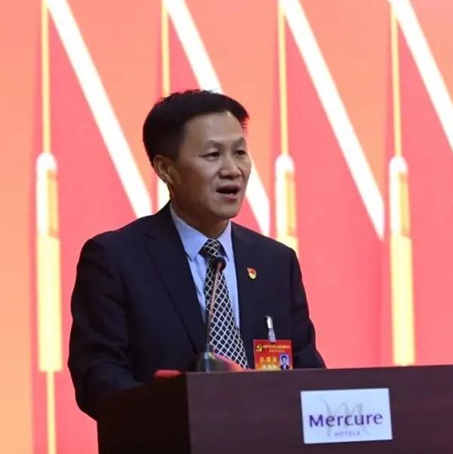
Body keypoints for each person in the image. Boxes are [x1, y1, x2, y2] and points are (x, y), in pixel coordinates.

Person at [67, 89, 325, 419]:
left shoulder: (275, 262)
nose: (233, 169)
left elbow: (308, 373)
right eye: (213, 155)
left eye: (240, 152)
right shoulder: (115, 259)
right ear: (165, 169)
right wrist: (185, 411)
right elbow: (98, 378)